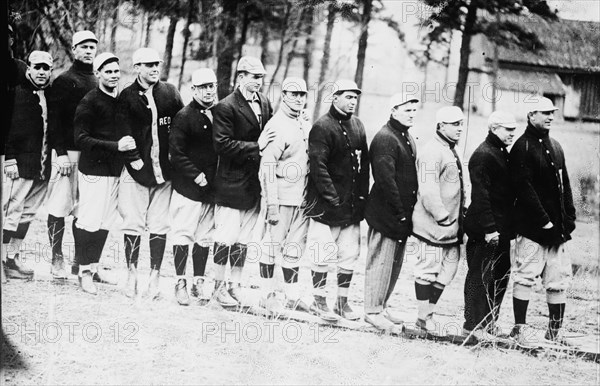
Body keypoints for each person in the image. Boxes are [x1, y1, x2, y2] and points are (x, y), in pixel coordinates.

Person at [116, 47, 184, 299]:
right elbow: (122, 133)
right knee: (133, 222)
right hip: (137, 171)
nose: (155, 68)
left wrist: (176, 161)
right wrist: (133, 161)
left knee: (159, 224)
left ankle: (155, 275)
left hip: (164, 173)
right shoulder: (127, 96)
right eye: (148, 65)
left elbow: (181, 126)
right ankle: (131, 272)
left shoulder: (170, 92)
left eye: (157, 64)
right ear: (137, 68)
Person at [508, 97, 576, 345]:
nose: (550, 116)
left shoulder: (556, 146)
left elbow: (565, 184)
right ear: (530, 115)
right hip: (531, 230)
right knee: (525, 276)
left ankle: (554, 333)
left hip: (557, 231)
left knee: (557, 280)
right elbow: (523, 189)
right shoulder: (522, 147)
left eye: (552, 113)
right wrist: (543, 221)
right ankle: (519, 329)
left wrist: (569, 217)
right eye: (544, 113)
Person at [305, 79, 369, 321]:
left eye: (355, 98)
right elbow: (318, 167)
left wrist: (362, 196)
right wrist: (332, 197)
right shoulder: (322, 127)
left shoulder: (358, 126)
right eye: (348, 97)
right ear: (335, 97)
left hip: (351, 206)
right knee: (322, 253)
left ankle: (341, 302)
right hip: (326, 206)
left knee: (349, 254)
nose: (353, 102)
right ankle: (318, 301)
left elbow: (364, 168)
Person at [211, 56, 274, 306]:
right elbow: (222, 144)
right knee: (225, 237)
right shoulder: (226, 106)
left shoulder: (265, 102)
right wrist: (256, 148)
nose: (258, 82)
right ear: (240, 77)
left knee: (243, 240)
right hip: (230, 183)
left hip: (253, 185)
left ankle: (234, 285)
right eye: (254, 77)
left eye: (261, 78)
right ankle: (217, 287)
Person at [72, 52, 132, 294]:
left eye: (117, 71)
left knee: (106, 222)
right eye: (108, 71)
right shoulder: (89, 101)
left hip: (115, 171)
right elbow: (81, 139)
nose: (114, 75)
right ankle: (83, 270)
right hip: (93, 171)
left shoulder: (120, 100)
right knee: (89, 220)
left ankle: (94, 267)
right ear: (97, 74)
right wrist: (115, 146)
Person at [363, 93, 419, 331]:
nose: (412, 114)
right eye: (407, 110)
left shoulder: (405, 136)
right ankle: (372, 311)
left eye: (414, 110)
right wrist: (400, 212)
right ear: (393, 110)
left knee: (393, 264)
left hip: (400, 214)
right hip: (387, 213)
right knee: (381, 262)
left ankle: (382, 305)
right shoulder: (386, 138)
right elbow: (386, 181)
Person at [257, 77, 311, 314]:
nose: (298, 99)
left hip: (302, 198)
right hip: (280, 197)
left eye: (302, 95)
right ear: (284, 95)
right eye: (293, 94)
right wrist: (272, 204)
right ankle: (266, 295)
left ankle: (291, 296)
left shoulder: (304, 122)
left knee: (294, 249)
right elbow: (267, 167)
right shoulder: (276, 125)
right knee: (271, 247)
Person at [47, 30, 98, 277]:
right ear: (75, 50)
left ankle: (81, 260)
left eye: (92, 47)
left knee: (84, 210)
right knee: (59, 206)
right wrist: (60, 153)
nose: (89, 51)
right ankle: (57, 257)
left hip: (91, 157)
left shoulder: (98, 81)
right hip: (67, 154)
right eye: (84, 47)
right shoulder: (64, 80)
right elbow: (54, 122)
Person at [410, 106, 466, 333]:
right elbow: (428, 190)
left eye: (461, 124)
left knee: (448, 272)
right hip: (432, 226)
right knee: (427, 269)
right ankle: (423, 318)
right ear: (441, 125)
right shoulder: (431, 151)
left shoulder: (454, 149)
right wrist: (442, 216)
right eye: (454, 124)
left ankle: (429, 313)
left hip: (452, 227)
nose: (459, 128)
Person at [463, 111, 516, 338]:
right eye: (508, 129)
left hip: (501, 228)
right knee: (480, 276)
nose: (512, 134)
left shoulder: (500, 152)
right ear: (494, 128)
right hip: (485, 229)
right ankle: (472, 325)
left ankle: (488, 321)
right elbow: (481, 196)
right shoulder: (483, 155)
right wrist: (490, 229)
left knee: (500, 275)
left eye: (514, 130)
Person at [3, 51, 54, 280]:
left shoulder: (49, 96)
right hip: (19, 165)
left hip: (41, 167)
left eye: (46, 68)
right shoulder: (16, 94)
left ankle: (12, 258)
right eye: (37, 67)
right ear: (29, 69)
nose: (41, 72)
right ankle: (2, 260)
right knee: (11, 212)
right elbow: (7, 130)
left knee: (28, 213)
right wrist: (10, 159)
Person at [169, 68, 219, 306]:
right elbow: (176, 154)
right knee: (183, 233)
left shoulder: (220, 114)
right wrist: (195, 174)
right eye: (203, 87)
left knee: (205, 237)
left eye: (212, 86)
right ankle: (180, 282)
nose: (209, 91)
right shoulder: (184, 116)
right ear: (194, 90)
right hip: (188, 187)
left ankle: (199, 280)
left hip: (211, 189)